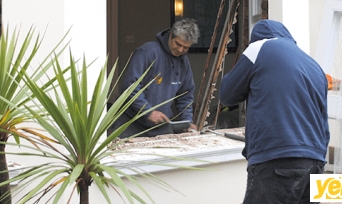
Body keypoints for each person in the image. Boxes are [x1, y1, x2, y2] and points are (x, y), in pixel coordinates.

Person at [219, 19, 329, 204]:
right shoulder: (314, 65)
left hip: (278, 159)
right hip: (315, 162)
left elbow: (227, 95)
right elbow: (323, 122)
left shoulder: (260, 47)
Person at [111, 18, 200, 138]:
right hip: (130, 124)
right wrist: (148, 111)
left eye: (185, 47)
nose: (180, 50)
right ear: (170, 35)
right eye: (178, 44)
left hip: (161, 125)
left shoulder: (184, 63)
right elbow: (130, 87)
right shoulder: (147, 52)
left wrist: (187, 122)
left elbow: (185, 96)